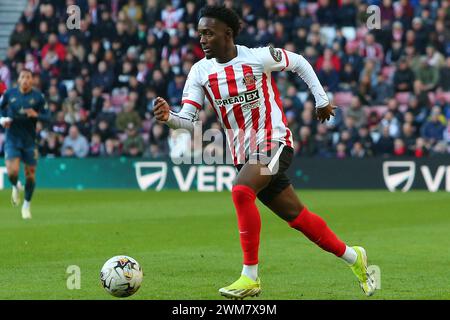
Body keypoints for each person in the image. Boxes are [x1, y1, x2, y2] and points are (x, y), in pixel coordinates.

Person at [153, 5, 376, 299]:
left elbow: (299, 62)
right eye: (200, 34)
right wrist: (169, 117)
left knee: (241, 191)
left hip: (274, 142)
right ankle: (353, 257)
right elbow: (190, 121)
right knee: (298, 217)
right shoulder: (200, 72)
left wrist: (322, 100)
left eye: (209, 33)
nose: (203, 39)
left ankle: (250, 277)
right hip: (243, 155)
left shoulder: (257, 58)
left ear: (228, 33)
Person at [0, 69, 50, 219]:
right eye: (23, 77)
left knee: (30, 176)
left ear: (32, 80)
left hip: (29, 140)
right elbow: (0, 110)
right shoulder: (9, 94)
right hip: (12, 138)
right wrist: (3, 120)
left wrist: (37, 115)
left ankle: (26, 206)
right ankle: (15, 186)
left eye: (29, 77)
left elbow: (48, 117)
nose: (26, 80)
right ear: (19, 79)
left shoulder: (38, 97)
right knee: (12, 172)